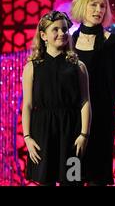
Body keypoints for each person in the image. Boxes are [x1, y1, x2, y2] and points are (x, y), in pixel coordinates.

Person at [21, 10, 91, 186]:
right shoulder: (32, 67)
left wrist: (84, 134)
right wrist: (27, 137)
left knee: (72, 180)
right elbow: (27, 105)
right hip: (43, 133)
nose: (62, 33)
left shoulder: (78, 66)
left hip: (71, 132)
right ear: (43, 35)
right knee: (46, 181)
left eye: (65, 29)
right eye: (56, 30)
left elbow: (85, 101)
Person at [70, 0, 115, 186]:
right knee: (72, 176)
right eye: (94, 5)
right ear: (83, 6)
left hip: (101, 120)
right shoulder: (68, 42)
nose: (99, 10)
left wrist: (101, 106)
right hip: (71, 122)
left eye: (102, 6)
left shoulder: (113, 43)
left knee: (97, 179)